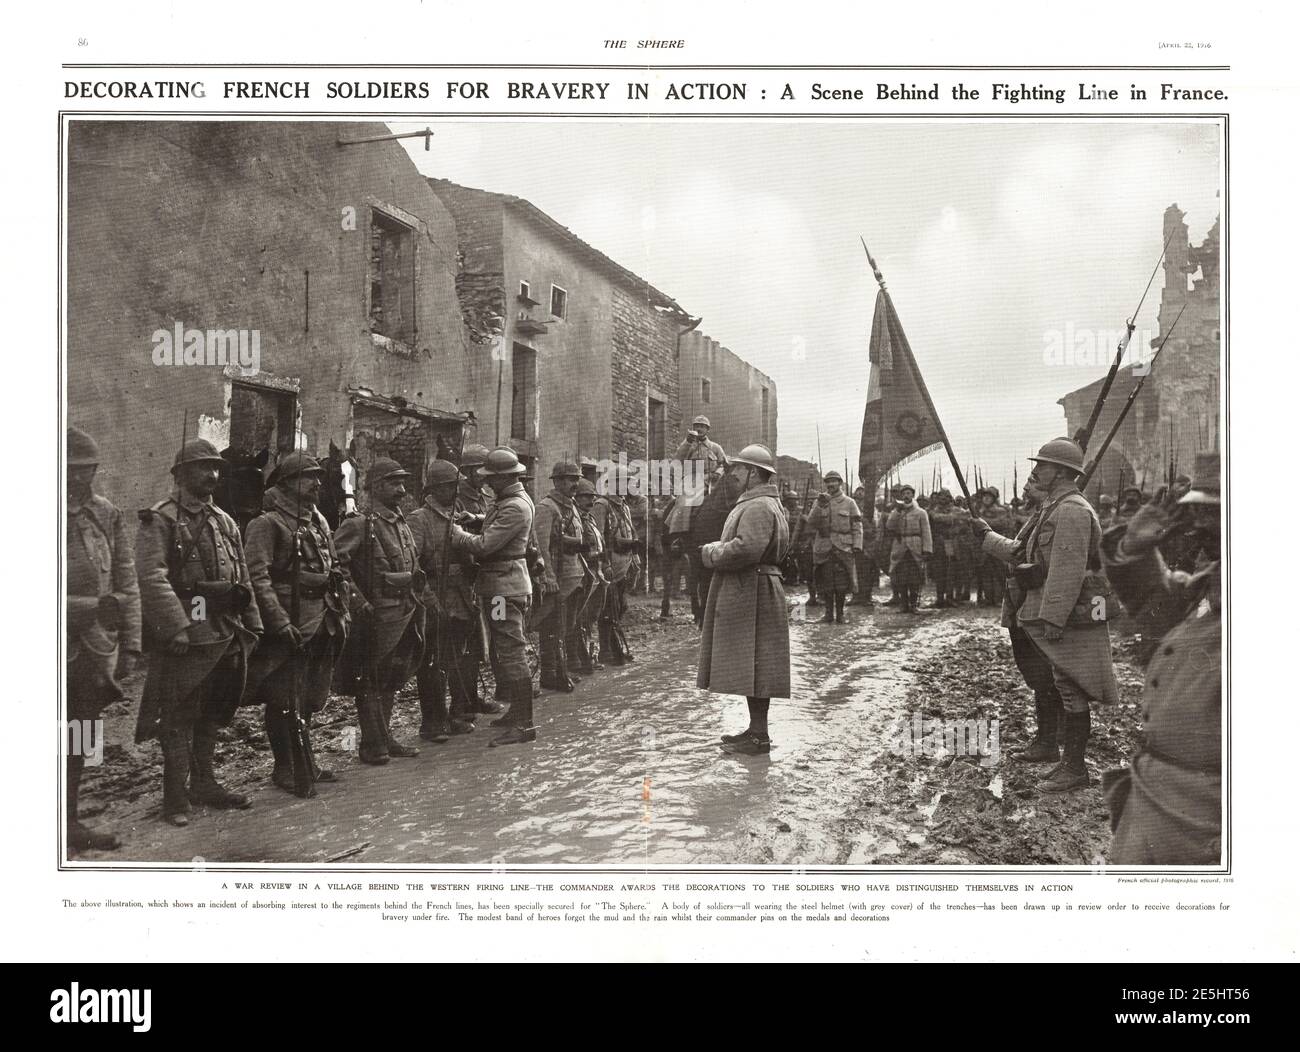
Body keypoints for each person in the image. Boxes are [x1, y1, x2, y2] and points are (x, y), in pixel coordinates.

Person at [974, 438, 1119, 793]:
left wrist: (1052, 619)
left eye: (1043, 465)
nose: (1036, 470)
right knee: (1057, 682)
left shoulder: (1071, 510)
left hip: (1068, 615)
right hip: (1053, 610)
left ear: (1062, 472)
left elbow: (1066, 571)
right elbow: (1025, 552)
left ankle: (1074, 768)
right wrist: (988, 537)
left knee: (1071, 687)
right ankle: (1057, 754)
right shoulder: (1054, 507)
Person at [135, 438, 263, 826]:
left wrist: (253, 621)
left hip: (225, 629)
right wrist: (175, 626)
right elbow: (152, 577)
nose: (212, 474)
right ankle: (175, 799)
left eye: (215, 467)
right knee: (178, 715)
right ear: (180, 475)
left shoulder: (224, 520)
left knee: (213, 711)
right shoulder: (161, 519)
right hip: (187, 633)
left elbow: (242, 575)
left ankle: (205, 783)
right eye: (203, 467)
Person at [1101, 454, 1221, 864]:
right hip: (1159, 795)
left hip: (1209, 817)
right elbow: (1161, 606)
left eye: (1216, 512)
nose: (1201, 525)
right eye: (1198, 512)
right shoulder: (1217, 582)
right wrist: (1136, 546)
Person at [243, 452, 350, 795]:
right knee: (282, 697)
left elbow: (333, 565)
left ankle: (306, 761)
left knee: (309, 695)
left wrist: (342, 607)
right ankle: (285, 767)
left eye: (319, 476)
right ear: (287, 484)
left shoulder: (317, 519)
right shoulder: (267, 523)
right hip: (292, 620)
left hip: (323, 616)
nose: (318, 483)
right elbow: (256, 577)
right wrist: (277, 621)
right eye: (309, 477)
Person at [66, 426, 141, 851]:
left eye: (87, 470)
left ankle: (68, 820)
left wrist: (130, 642)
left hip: (93, 648)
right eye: (71, 470)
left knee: (78, 731)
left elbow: (126, 580)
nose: (80, 478)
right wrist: (85, 608)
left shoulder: (105, 513)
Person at [697, 444, 790, 756]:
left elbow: (746, 549)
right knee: (755, 665)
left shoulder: (759, 507)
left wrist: (711, 552)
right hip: (755, 586)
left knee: (757, 664)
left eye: (739, 469)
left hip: (753, 588)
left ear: (753, 473)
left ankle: (758, 735)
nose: (733, 474)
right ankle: (756, 731)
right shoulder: (760, 503)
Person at [334, 458, 426, 765]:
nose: (402, 490)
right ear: (375, 488)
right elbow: (338, 568)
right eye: (394, 483)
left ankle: (384, 736)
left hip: (404, 611)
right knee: (370, 679)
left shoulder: (400, 522)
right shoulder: (359, 523)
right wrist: (359, 602)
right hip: (376, 617)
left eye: (402, 483)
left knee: (391, 677)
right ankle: (371, 745)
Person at [450, 447, 537, 747]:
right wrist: (476, 517)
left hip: (503, 591)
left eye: (491, 479)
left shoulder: (514, 506)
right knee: (506, 647)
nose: (486, 483)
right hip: (504, 586)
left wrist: (458, 534)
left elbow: (486, 545)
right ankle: (517, 713)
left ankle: (524, 724)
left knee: (511, 650)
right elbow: (494, 520)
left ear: (504, 478)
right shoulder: (512, 500)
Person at [409, 459, 481, 741]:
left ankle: (458, 713)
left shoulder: (459, 513)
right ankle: (433, 723)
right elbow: (414, 564)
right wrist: (429, 601)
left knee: (457, 658)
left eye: (456, 485)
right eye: (449, 486)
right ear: (435, 488)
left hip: (461, 596)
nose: (455, 490)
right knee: (433, 664)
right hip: (435, 599)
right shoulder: (420, 518)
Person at [533, 460, 586, 691]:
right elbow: (541, 546)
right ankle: (550, 674)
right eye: (570, 479)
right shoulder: (546, 508)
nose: (575, 483)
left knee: (566, 625)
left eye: (576, 479)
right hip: (557, 579)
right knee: (551, 627)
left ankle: (560, 669)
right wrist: (548, 577)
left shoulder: (571, 506)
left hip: (574, 576)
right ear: (557, 481)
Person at [592, 469, 640, 665]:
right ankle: (607, 650)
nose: (628, 485)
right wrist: (604, 563)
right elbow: (599, 537)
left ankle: (614, 645)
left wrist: (635, 556)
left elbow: (630, 533)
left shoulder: (623, 506)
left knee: (620, 606)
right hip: (610, 565)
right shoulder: (602, 505)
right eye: (624, 482)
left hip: (624, 564)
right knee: (607, 609)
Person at [807, 470, 864, 624]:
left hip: (843, 547)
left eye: (834, 481)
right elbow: (811, 522)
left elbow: (857, 525)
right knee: (826, 582)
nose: (831, 484)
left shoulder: (849, 502)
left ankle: (840, 614)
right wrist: (820, 505)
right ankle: (828, 614)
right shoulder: (819, 501)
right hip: (824, 547)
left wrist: (857, 545)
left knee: (841, 583)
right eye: (828, 481)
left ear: (840, 483)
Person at [570, 477, 608, 670]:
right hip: (584, 574)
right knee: (580, 618)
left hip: (597, 574)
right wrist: (594, 554)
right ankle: (580, 659)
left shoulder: (590, 518)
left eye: (592, 497)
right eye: (586, 497)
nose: (591, 501)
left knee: (593, 616)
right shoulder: (574, 519)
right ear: (576, 497)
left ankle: (590, 655)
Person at [886, 484, 931, 612]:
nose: (906, 496)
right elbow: (889, 526)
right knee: (901, 577)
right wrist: (897, 511)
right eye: (904, 494)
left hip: (915, 547)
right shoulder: (897, 511)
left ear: (913, 495)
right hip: (900, 547)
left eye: (908, 493)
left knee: (914, 577)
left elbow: (926, 532)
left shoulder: (921, 512)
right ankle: (903, 605)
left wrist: (927, 549)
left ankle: (914, 605)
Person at [978, 486, 1014, 606]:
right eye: (985, 496)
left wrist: (981, 521)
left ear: (994, 498)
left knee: (999, 572)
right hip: (983, 545)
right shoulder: (979, 511)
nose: (986, 499)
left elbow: (1001, 523)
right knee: (986, 572)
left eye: (989, 496)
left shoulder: (1001, 510)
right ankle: (988, 597)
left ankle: (999, 598)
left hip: (997, 544)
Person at [926, 488, 960, 608]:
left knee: (950, 571)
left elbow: (950, 519)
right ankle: (940, 597)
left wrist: (934, 515)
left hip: (951, 542)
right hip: (938, 543)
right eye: (941, 496)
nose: (943, 499)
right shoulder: (933, 509)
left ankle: (949, 597)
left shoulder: (955, 510)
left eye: (946, 496)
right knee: (939, 571)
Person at [674, 414, 728, 485]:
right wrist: (687, 443)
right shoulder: (687, 445)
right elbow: (677, 460)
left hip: (710, 484)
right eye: (696, 426)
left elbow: (724, 465)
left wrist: (717, 473)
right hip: (690, 483)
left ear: (707, 429)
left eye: (702, 427)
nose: (699, 429)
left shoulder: (715, 447)